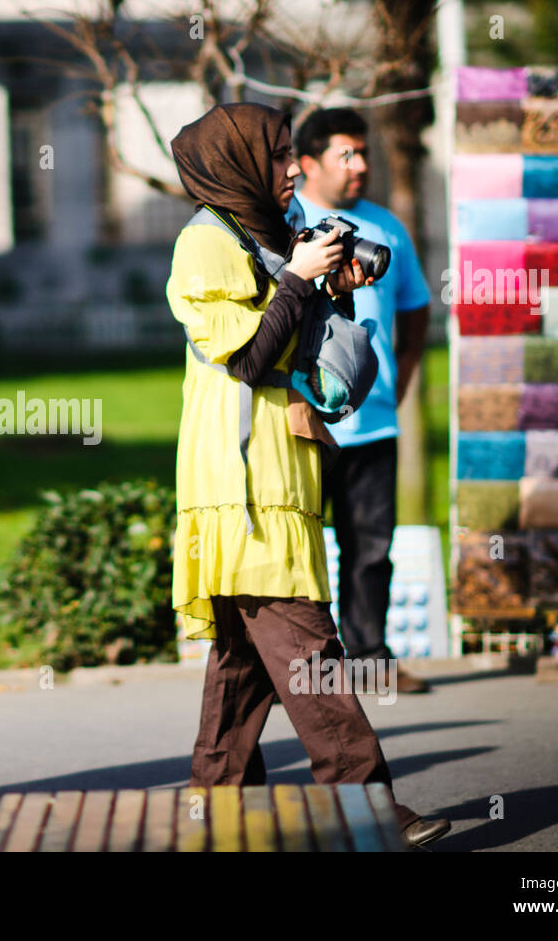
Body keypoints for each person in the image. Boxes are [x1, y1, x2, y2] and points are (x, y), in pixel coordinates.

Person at [168, 102, 449, 848]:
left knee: (242, 665)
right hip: (240, 479)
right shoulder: (204, 245)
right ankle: (369, 809)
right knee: (313, 654)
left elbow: (314, 362)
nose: (292, 167)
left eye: (292, 152)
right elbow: (249, 358)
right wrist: (298, 275)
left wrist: (338, 285)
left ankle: (214, 811)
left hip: (282, 469)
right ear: (233, 165)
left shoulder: (270, 237)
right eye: (278, 155)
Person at [291, 108, 433, 692]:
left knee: (372, 548)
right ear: (307, 164)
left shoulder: (387, 226)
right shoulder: (287, 221)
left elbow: (418, 306)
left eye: (364, 152)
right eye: (346, 154)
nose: (361, 166)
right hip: (303, 419)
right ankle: (301, 669)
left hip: (373, 422)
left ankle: (371, 661)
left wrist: (400, 384)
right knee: (297, 551)